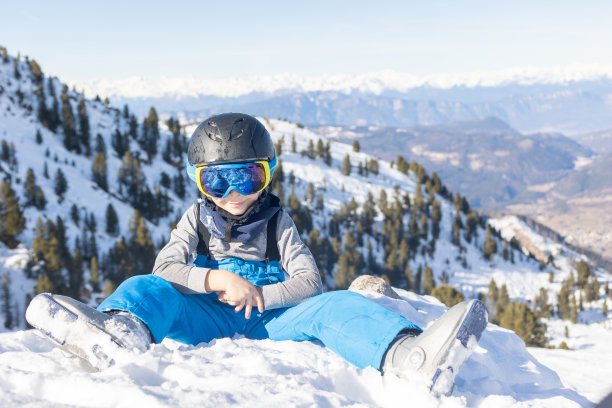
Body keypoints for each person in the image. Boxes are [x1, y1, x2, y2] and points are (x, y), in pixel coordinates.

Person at [26, 113, 488, 396]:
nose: (233, 194)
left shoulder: (277, 223)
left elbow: (309, 283)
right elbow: (165, 267)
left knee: (339, 306)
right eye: (217, 182)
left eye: (247, 179)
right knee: (146, 288)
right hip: (207, 314)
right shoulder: (195, 221)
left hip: (271, 319)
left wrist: (263, 296)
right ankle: (121, 332)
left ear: (266, 176)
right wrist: (217, 280)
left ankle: (407, 357)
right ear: (199, 182)